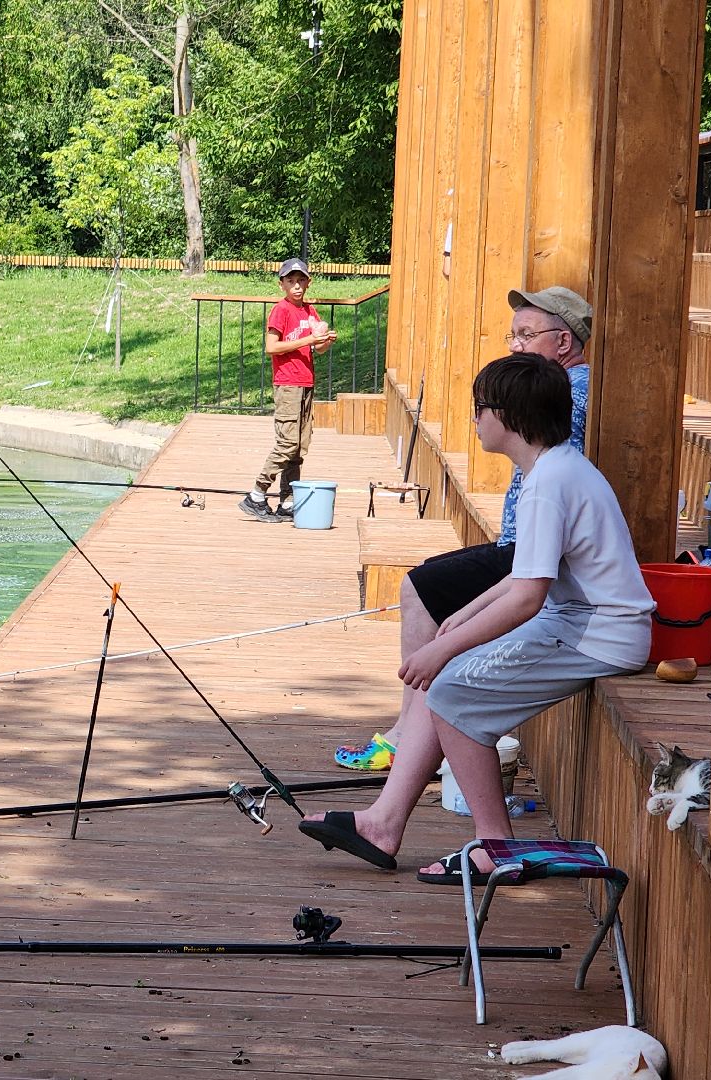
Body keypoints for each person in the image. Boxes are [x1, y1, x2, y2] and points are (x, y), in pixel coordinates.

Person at [299, 353, 653, 882]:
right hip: (578, 621)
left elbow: (528, 597)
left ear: (508, 417)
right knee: (451, 685)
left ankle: (494, 849)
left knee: (450, 694)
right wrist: (460, 619)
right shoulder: (551, 469)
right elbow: (520, 579)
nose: (475, 419)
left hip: (597, 633)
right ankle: (383, 823)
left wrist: (444, 647)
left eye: (480, 408)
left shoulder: (549, 484)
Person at [333, 286, 593, 771]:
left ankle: (405, 738)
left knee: (423, 586)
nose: (514, 345)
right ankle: (407, 732)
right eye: (512, 335)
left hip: (536, 555)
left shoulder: (569, 393)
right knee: (429, 583)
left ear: (563, 343)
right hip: (521, 546)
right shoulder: (562, 385)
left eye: (525, 335)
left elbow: (556, 480)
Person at [239, 257, 338, 523]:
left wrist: (324, 341)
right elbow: (272, 346)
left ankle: (287, 500)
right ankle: (257, 495)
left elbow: (317, 349)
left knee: (299, 447)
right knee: (286, 444)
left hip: (306, 383)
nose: (296, 286)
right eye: (291, 281)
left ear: (308, 282)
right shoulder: (281, 311)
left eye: (300, 280)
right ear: (282, 284)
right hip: (287, 384)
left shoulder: (309, 312)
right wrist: (308, 339)